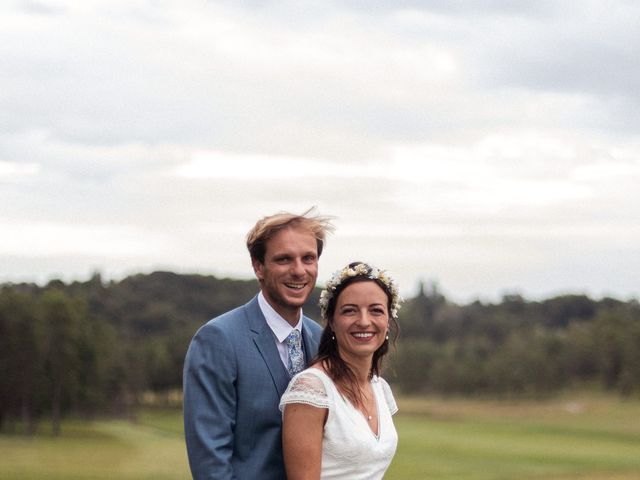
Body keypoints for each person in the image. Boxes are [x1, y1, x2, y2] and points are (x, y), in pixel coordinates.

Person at [183, 208, 334, 480]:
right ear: (258, 266)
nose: (299, 270)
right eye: (284, 259)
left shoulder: (321, 339)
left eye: (308, 258)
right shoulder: (218, 339)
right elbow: (210, 463)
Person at [280, 261, 402, 480]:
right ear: (332, 322)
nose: (364, 321)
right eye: (350, 311)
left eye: (375, 310)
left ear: (388, 321)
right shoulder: (312, 390)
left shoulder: (379, 388)